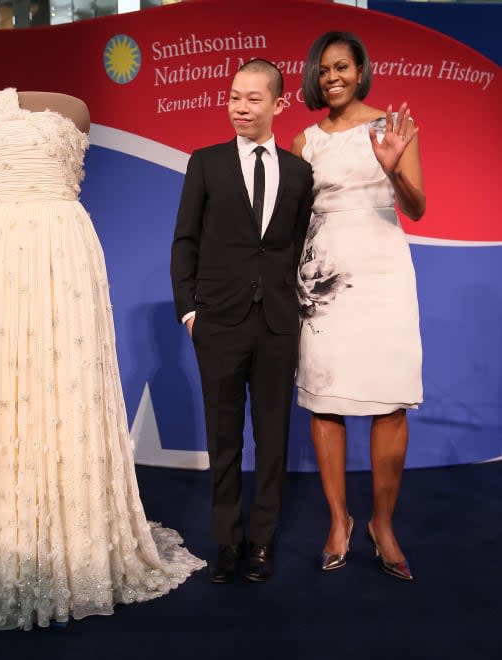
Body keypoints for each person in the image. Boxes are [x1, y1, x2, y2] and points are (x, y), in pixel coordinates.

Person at [0, 88, 205, 630]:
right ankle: (1, 536)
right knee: (1, 386)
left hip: (63, 250)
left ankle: (73, 539)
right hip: (0, 253)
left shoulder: (78, 109)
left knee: (66, 383)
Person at [171, 60, 313, 583]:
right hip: (220, 323)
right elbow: (184, 240)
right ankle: (228, 542)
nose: (240, 107)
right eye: (233, 97)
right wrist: (190, 310)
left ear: (279, 105)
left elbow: (295, 246)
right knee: (224, 438)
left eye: (253, 99)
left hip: (277, 323)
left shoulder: (300, 174)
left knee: (273, 439)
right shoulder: (204, 163)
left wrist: (292, 305)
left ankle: (262, 542)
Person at [292, 32, 426, 580]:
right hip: (323, 277)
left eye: (342, 66)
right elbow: (292, 219)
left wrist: (394, 167)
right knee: (326, 399)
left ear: (362, 68)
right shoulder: (304, 141)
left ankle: (383, 524)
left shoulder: (391, 129)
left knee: (389, 400)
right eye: (323, 70)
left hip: (384, 271)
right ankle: (338, 520)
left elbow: (416, 207)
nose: (332, 77)